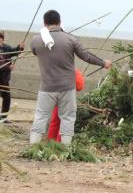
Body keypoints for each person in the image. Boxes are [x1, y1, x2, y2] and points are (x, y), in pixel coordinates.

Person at [30, 10, 112, 145]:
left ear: (44, 23)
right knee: (67, 118)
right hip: (67, 88)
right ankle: (65, 148)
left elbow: (34, 51)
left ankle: (32, 147)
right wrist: (103, 63)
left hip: (46, 87)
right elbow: (86, 56)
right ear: (60, 22)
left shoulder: (36, 40)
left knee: (41, 117)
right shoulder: (71, 39)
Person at [47, 68, 85, 142]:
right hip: (67, 98)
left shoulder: (54, 68)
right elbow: (79, 86)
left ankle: (50, 142)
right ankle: (59, 144)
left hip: (55, 97)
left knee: (55, 121)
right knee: (65, 121)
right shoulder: (73, 70)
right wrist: (79, 75)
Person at [0, 32, 24, 123]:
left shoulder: (6, 47)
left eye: (1, 38)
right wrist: (8, 67)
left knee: (7, 97)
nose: (0, 39)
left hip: (4, 79)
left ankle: (3, 118)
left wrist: (20, 47)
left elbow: (15, 52)